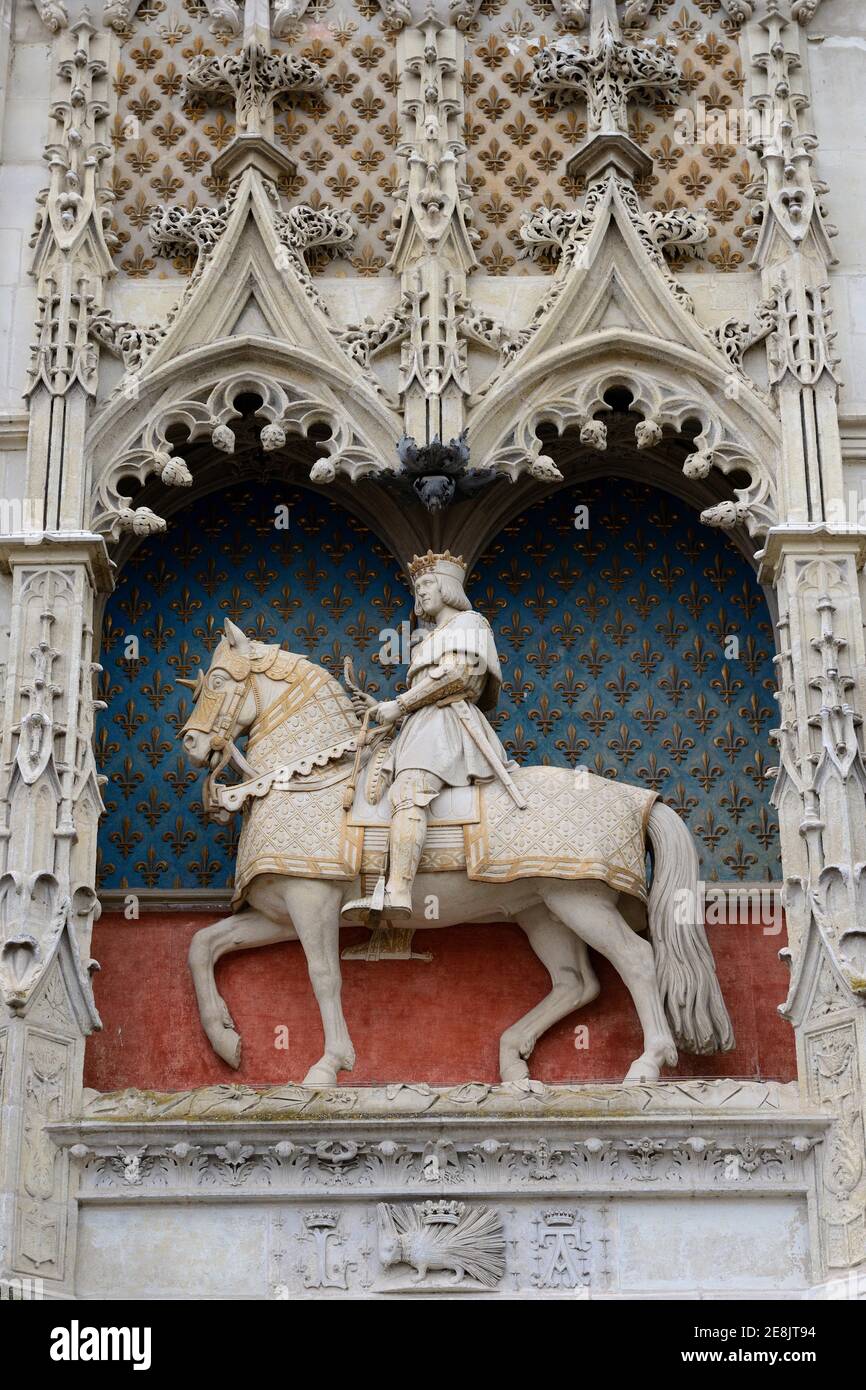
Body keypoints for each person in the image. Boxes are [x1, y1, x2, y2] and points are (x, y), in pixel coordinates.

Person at [342, 550, 517, 920]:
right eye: (416, 587)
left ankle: (398, 891)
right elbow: (426, 688)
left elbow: (458, 677)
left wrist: (400, 705)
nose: (419, 593)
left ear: (447, 588)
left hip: (447, 726)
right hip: (422, 724)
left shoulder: (470, 623)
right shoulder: (430, 636)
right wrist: (380, 708)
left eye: (425, 585)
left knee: (409, 790)